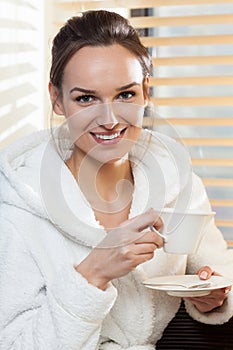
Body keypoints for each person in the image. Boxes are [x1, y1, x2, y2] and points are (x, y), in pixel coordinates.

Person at [0, 10, 232, 350]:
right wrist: (93, 273)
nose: (109, 120)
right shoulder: (18, 208)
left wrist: (214, 296)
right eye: (86, 98)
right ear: (57, 99)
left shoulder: (176, 182)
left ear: (145, 92)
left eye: (125, 95)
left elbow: (217, 269)